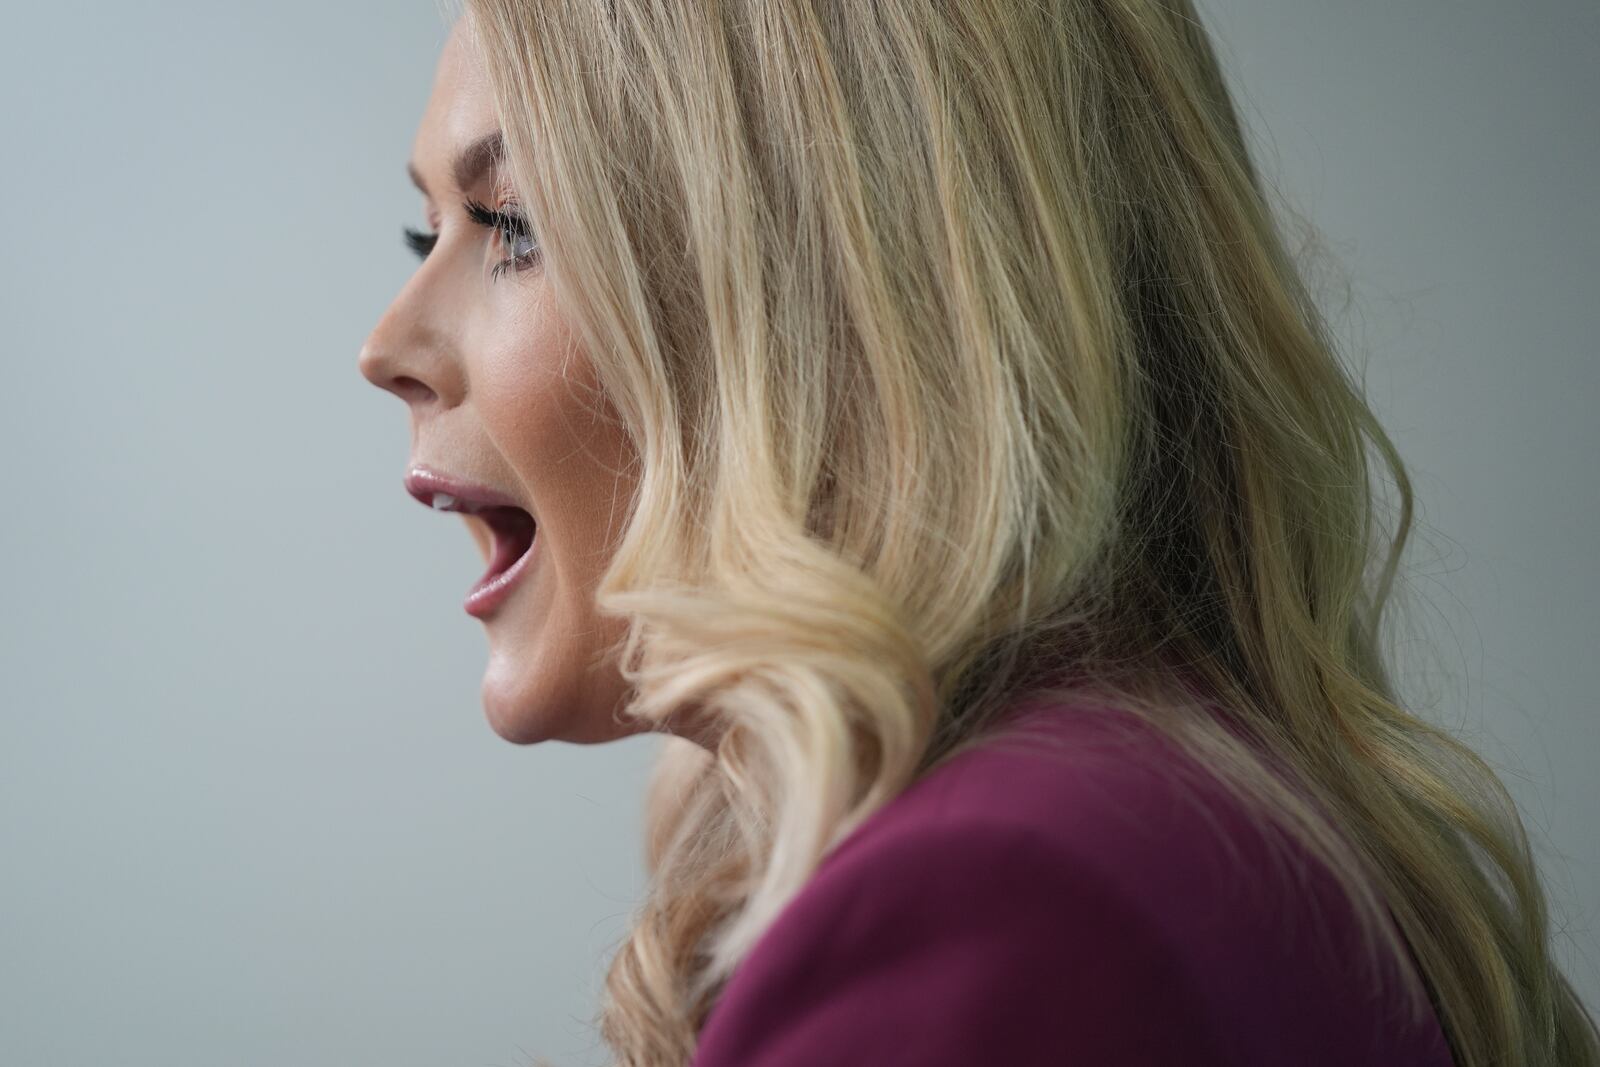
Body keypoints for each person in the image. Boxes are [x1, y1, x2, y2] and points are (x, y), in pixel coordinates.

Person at [357, 4, 1599, 1065]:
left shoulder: (993, 911)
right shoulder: (1191, 816)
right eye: (429, 233)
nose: (386, 349)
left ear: (830, 295)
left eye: (510, 225)